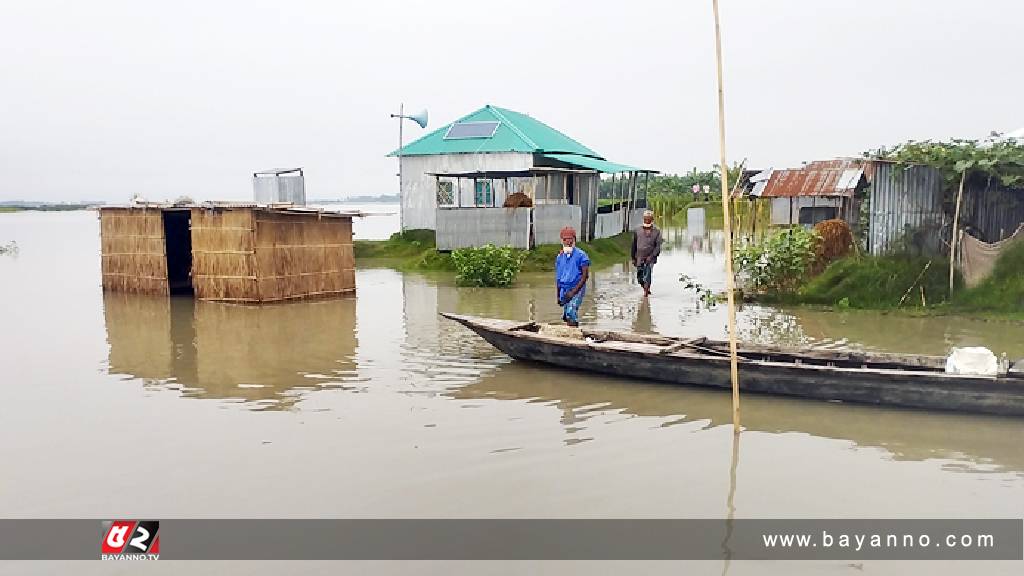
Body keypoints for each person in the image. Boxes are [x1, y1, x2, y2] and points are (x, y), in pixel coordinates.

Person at [555, 226, 590, 327]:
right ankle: (571, 330)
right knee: (566, 315)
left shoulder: (581, 255)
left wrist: (573, 292)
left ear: (574, 240)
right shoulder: (560, 257)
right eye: (565, 240)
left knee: (571, 311)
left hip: (577, 288)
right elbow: (558, 277)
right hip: (564, 288)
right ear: (562, 241)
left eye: (570, 239)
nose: (568, 242)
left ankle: (574, 333)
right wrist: (558, 295)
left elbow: (585, 276)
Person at [631, 209, 662, 297]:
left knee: (647, 274)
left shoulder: (657, 231)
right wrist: (633, 258)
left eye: (649, 218)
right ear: (643, 219)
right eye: (646, 218)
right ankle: (644, 287)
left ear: (652, 219)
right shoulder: (637, 230)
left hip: (650, 258)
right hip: (639, 257)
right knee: (640, 277)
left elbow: (658, 247)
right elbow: (633, 245)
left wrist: (652, 256)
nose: (647, 220)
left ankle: (646, 291)